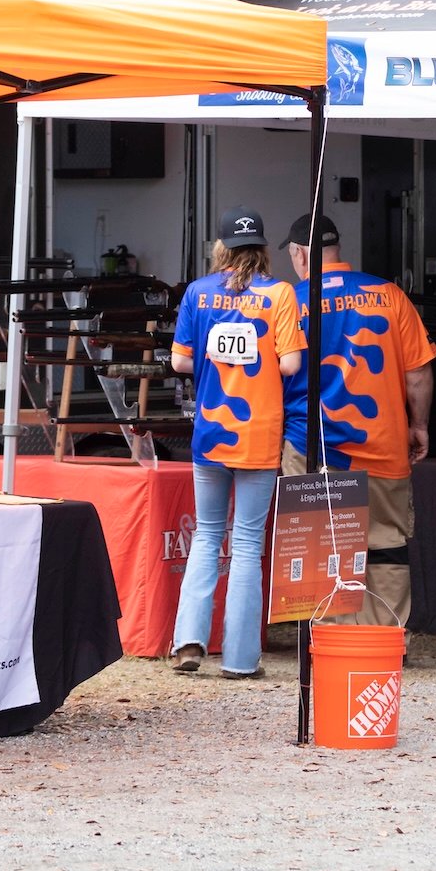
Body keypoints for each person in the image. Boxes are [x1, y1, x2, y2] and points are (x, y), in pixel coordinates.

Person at [280, 214, 436, 628]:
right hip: (383, 442)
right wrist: (418, 425)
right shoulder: (389, 294)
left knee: (317, 542)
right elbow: (418, 371)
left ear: (298, 254)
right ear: (336, 249)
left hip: (312, 444)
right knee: (385, 543)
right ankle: (387, 638)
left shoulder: (289, 302)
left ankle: (329, 639)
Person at [167, 208, 304, 679]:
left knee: (207, 535)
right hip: (260, 433)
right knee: (246, 544)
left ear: (220, 248)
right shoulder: (280, 294)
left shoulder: (198, 293)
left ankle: (188, 640)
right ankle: (242, 660)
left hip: (209, 430)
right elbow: (290, 366)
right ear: (264, 248)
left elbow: (179, 363)